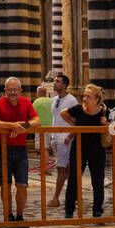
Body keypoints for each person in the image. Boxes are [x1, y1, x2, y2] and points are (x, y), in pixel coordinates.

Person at [0, 76, 37, 223]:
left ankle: (20, 216)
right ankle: (8, 215)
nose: (13, 92)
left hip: (21, 149)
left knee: (22, 184)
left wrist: (22, 126)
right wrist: (10, 125)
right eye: (10, 90)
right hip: (2, 148)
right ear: (5, 91)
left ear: (20, 90)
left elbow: (37, 121)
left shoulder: (26, 102)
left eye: (15, 89)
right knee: (5, 185)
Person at [60, 83, 109, 220]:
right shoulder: (78, 109)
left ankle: (97, 210)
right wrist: (74, 126)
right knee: (73, 180)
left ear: (97, 100)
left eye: (88, 96)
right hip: (79, 148)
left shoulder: (106, 112)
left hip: (97, 150)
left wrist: (106, 124)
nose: (85, 99)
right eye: (84, 96)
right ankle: (69, 211)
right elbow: (63, 113)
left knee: (97, 181)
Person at [42, 74, 78, 207]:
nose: (55, 83)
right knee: (67, 168)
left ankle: (55, 198)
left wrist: (70, 136)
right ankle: (74, 195)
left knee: (61, 168)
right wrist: (52, 138)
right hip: (55, 137)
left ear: (64, 85)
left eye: (58, 82)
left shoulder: (72, 100)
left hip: (65, 138)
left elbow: (75, 121)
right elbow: (54, 119)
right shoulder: (54, 99)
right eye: (55, 81)